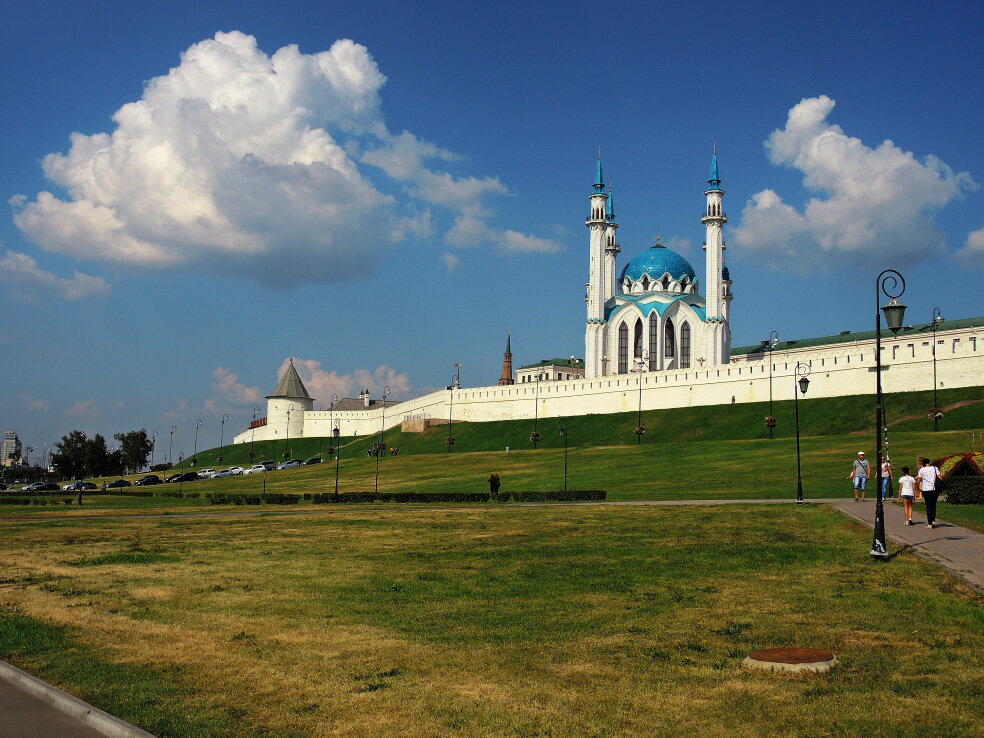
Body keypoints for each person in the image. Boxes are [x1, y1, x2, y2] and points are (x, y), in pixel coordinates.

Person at [917, 457, 944, 529]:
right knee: (933, 505)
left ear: (923, 463)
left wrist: (919, 479)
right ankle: (933, 520)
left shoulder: (921, 470)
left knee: (928, 506)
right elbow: (940, 477)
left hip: (926, 489)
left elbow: (919, 480)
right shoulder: (935, 468)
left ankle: (929, 524)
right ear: (929, 462)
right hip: (935, 489)